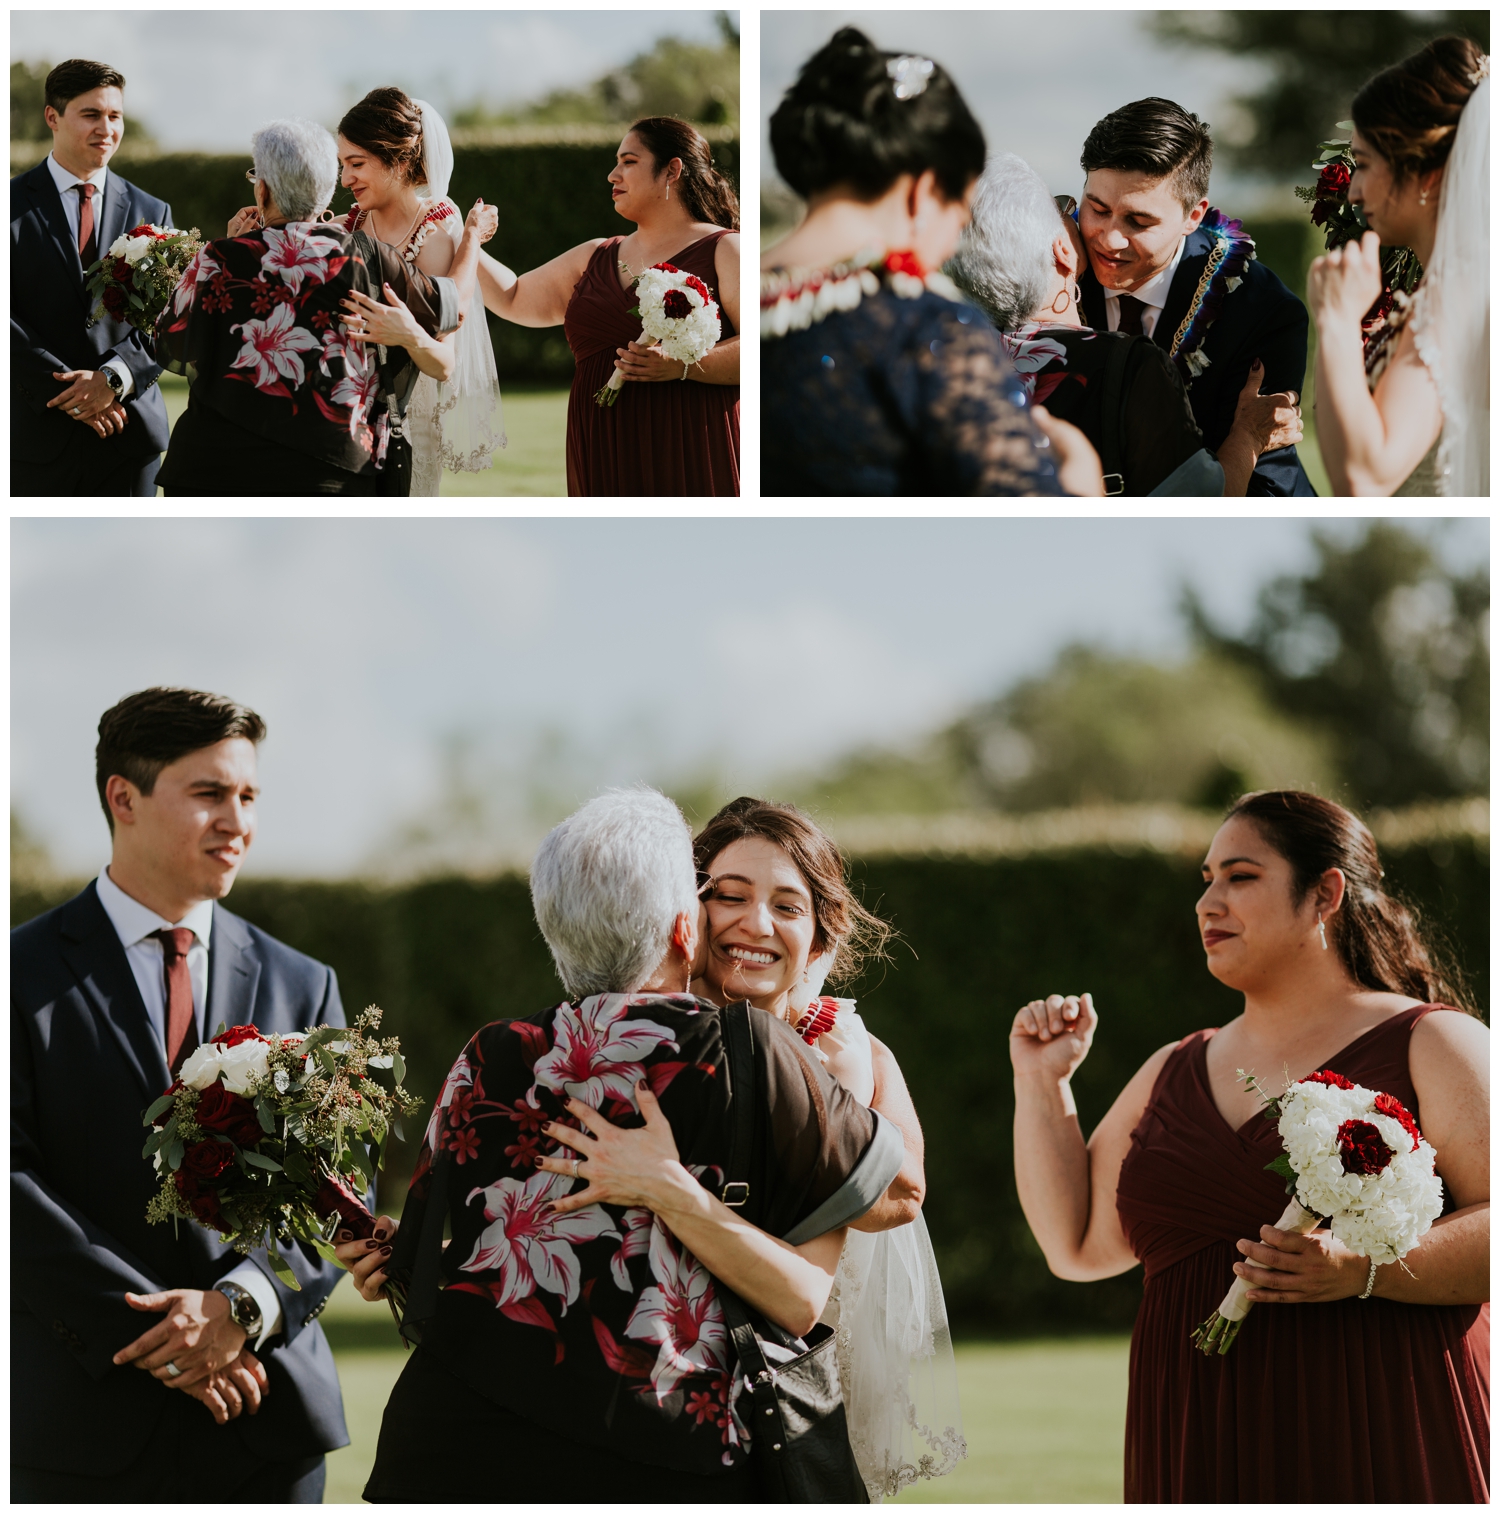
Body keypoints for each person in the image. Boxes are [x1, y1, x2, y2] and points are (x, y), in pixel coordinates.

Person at [342, 788, 906, 1501]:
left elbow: (427, 1290)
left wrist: (393, 1254)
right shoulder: (751, 1053)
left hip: (451, 1455)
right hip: (663, 1455)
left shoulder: (487, 1054)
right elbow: (852, 1243)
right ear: (683, 931)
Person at [1010, 789, 1488, 1501]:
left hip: (1377, 1418)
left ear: (1324, 893)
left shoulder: (1432, 1041)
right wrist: (1042, 1084)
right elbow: (1075, 1246)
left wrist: (1365, 1268)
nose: (1208, 902)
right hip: (1197, 1433)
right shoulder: (1172, 1067)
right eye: (1206, 881)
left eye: (1240, 876)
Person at [11, 687, 352, 1501]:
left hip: (266, 1418)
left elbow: (340, 1191)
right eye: (209, 794)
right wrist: (166, 1338)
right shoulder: (12, 978)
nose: (239, 822)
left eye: (248, 797)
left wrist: (238, 1307)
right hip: (81, 1422)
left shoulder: (304, 985)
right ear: (122, 798)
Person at [761, 28, 1098, 497]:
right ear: (923, 191)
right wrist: (1082, 481)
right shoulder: (926, 329)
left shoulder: (743, 301)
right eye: (959, 211)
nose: (950, 250)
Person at [155, 119, 497, 496]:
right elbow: (451, 305)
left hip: (211, 470)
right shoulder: (368, 258)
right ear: (327, 190)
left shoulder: (218, 256)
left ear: (263, 189)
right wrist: (471, 238)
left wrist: (230, 254)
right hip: (330, 472)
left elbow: (169, 342)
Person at [950, 153, 1305, 496]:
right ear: (1060, 249)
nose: (1108, 238)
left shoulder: (955, 367)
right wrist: (1249, 435)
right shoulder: (1134, 365)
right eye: (1063, 208)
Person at [475, 116, 740, 496]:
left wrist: (681, 366)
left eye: (628, 162)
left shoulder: (725, 249)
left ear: (672, 170)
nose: (612, 174)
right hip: (602, 444)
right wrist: (462, 239)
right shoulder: (595, 255)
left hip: (688, 441)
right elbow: (513, 297)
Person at [1075, 98, 1316, 497]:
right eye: (1097, 208)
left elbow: (1262, 483)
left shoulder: (1265, 312)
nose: (1109, 239)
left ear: (1194, 216)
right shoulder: (1048, 266)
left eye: (1138, 221)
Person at [1308, 37, 1489, 497]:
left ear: (1425, 172)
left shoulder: (1458, 293)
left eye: (1365, 166)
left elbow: (1365, 477)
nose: (1353, 192)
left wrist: (1337, 319)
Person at [10, 58, 171, 496]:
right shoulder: (9, 206)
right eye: (91, 114)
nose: (106, 128)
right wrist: (76, 395)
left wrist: (112, 380)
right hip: (35, 435)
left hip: (128, 436)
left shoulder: (153, 213)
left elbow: (170, 318)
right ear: (52, 117)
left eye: (114, 116)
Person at [335, 87, 505, 496]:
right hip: (341, 415)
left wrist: (406, 334)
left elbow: (444, 346)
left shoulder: (434, 236)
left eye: (356, 163)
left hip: (405, 421)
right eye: (342, 165)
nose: (345, 179)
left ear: (399, 158)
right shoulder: (344, 226)